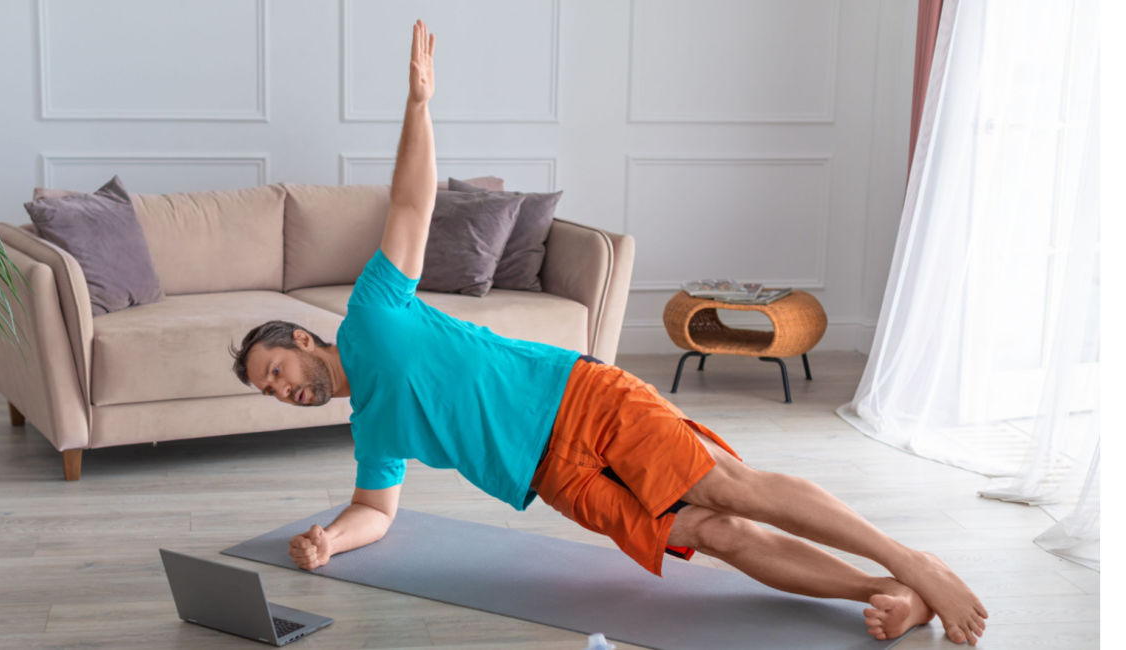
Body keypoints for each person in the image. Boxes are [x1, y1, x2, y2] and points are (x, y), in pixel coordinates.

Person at [230, 19, 988, 646]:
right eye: (271, 393)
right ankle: (883, 590)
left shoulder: (371, 311)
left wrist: (419, 105)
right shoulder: (373, 428)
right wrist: (331, 538)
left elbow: (411, 206)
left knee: (732, 487)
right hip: (558, 480)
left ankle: (911, 561)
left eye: (274, 371)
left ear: (302, 341)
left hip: (581, 401)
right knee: (715, 535)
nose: (283, 391)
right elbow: (378, 510)